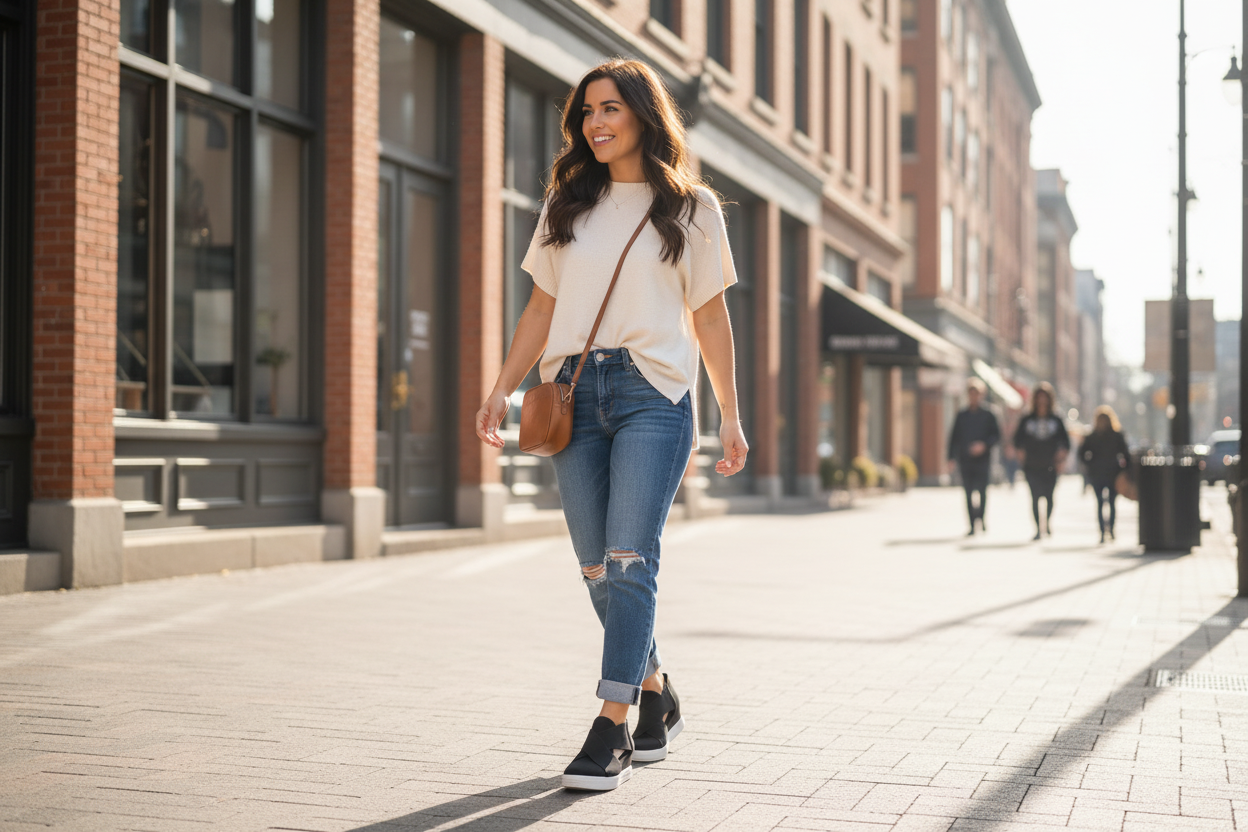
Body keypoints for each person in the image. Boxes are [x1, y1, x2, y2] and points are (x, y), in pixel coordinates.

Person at [474, 59, 747, 792]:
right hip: (570, 394)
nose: (595, 123)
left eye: (610, 109)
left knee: (630, 559)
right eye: (586, 112)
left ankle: (611, 724)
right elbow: (539, 309)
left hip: (653, 395)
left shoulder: (691, 209)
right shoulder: (568, 203)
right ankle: (656, 687)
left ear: (642, 115)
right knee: (596, 567)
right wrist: (501, 389)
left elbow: (710, 315)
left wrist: (732, 414)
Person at [1013, 382, 1070, 540]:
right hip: (1031, 465)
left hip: (1051, 465)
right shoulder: (1027, 419)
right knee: (1035, 497)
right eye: (1039, 398)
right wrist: (1020, 453)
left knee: (1049, 497)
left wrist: (1061, 456)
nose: (1042, 401)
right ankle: (1039, 528)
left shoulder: (1057, 420)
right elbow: (1017, 440)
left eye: (1045, 398)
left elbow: (1065, 442)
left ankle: (1048, 523)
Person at [947, 379, 1000, 535]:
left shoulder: (989, 414)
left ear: (981, 395)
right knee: (968, 492)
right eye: (971, 394)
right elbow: (953, 437)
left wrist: (984, 445)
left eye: (976, 394)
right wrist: (950, 458)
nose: (974, 397)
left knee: (982, 492)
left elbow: (996, 436)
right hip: (966, 459)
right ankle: (971, 524)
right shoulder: (962, 415)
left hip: (983, 460)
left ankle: (981, 519)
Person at [1078, 406, 1130, 543]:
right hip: (1099, 474)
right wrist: (1090, 465)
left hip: (1112, 474)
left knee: (1109, 503)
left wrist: (1124, 471)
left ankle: (1109, 530)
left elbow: (1125, 454)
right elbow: (1082, 453)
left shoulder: (1116, 435)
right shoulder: (1092, 436)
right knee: (1102, 502)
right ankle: (1104, 531)